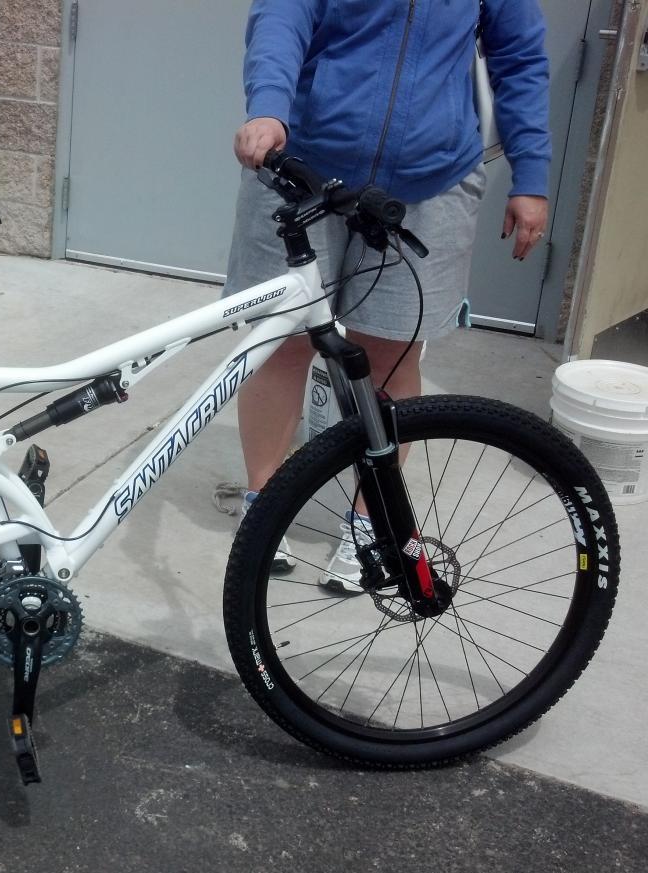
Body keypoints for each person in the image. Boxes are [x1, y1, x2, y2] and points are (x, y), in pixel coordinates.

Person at [225, 0, 551, 591]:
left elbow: (520, 57)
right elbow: (283, 14)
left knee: (390, 352)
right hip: (303, 162)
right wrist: (269, 107)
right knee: (283, 342)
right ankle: (263, 501)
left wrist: (531, 176)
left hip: (431, 178)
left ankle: (370, 521)